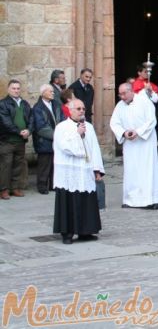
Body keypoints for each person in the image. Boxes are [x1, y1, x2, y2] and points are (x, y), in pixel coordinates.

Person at [52, 99, 103, 244]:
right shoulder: (62, 127)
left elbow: (94, 148)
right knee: (68, 201)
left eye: (83, 109)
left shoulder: (89, 127)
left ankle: (85, 231)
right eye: (78, 108)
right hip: (68, 171)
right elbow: (65, 147)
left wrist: (97, 169)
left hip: (85, 170)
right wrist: (77, 134)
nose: (81, 111)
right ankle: (67, 233)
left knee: (86, 200)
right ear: (71, 110)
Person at [110, 82, 158, 209]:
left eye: (124, 93)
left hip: (145, 143)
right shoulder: (120, 106)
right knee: (131, 171)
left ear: (131, 91)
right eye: (120, 94)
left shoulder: (144, 101)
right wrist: (124, 132)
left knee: (147, 170)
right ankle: (131, 200)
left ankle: (151, 200)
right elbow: (114, 122)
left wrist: (138, 132)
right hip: (130, 145)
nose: (122, 97)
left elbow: (151, 120)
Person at [0, 80, 34, 200]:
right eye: (14, 88)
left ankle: (15, 188)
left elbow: (31, 119)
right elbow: (5, 122)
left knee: (18, 165)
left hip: (21, 141)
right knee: (6, 166)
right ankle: (4, 190)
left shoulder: (24, 103)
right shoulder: (3, 104)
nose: (16, 90)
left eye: (18, 88)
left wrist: (29, 130)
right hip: (7, 141)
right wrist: (19, 131)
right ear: (8, 89)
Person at [32, 84, 64, 194]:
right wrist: (57, 135)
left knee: (55, 164)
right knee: (44, 165)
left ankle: (53, 185)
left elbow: (62, 118)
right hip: (44, 141)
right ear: (43, 93)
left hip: (56, 139)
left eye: (52, 91)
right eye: (50, 91)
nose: (53, 93)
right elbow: (41, 127)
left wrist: (62, 131)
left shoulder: (56, 104)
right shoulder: (38, 108)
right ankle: (42, 186)